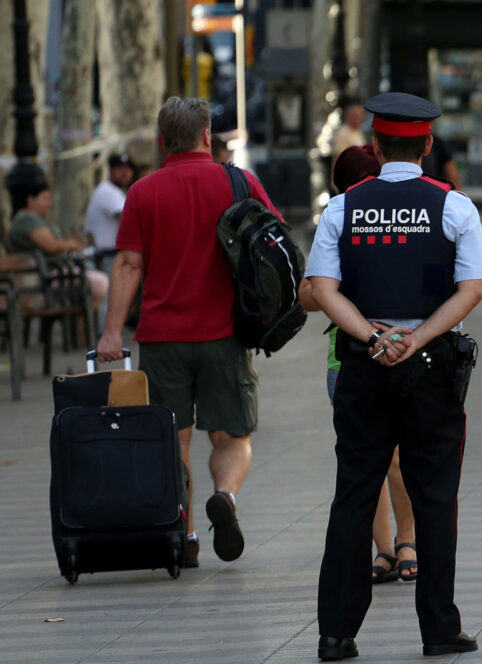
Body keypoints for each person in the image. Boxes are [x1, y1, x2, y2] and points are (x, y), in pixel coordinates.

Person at [306, 92, 482, 660]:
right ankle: (439, 627)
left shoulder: (342, 207)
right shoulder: (454, 206)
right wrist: (418, 337)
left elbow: (322, 289)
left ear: (374, 145)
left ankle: (337, 631)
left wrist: (372, 337)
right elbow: (472, 289)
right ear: (428, 146)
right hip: (430, 367)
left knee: (355, 493)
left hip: (365, 366)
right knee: (435, 496)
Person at [97, 97, 281, 568]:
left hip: (162, 339)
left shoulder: (143, 192)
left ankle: (186, 536)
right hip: (226, 335)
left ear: (162, 142)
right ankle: (225, 497)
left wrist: (111, 334)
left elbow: (128, 263)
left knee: (172, 442)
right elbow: (276, 241)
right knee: (232, 436)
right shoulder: (237, 181)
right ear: (205, 136)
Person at [298, 145, 421, 586]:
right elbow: (308, 294)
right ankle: (384, 549)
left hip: (404, 350)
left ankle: (407, 540)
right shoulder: (338, 218)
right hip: (346, 360)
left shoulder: (402, 221)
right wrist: (341, 283)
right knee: (366, 459)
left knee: (395, 457)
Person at [7, 177, 108, 309]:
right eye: (44, 198)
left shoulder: (34, 219)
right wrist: (72, 244)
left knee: (94, 283)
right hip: (44, 279)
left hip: (51, 274)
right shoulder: (26, 220)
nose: (49, 203)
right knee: (100, 282)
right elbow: (52, 245)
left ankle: (86, 327)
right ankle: (94, 327)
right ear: (30, 199)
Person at [84, 153, 135, 255]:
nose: (125, 173)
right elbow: (130, 221)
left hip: (106, 254)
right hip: (104, 255)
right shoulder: (108, 191)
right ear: (111, 170)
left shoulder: (115, 191)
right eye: (120, 168)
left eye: (128, 169)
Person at [331, 101, 366, 166]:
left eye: (360, 116)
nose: (359, 119)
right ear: (348, 116)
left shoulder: (358, 131)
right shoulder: (342, 133)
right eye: (355, 116)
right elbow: (339, 157)